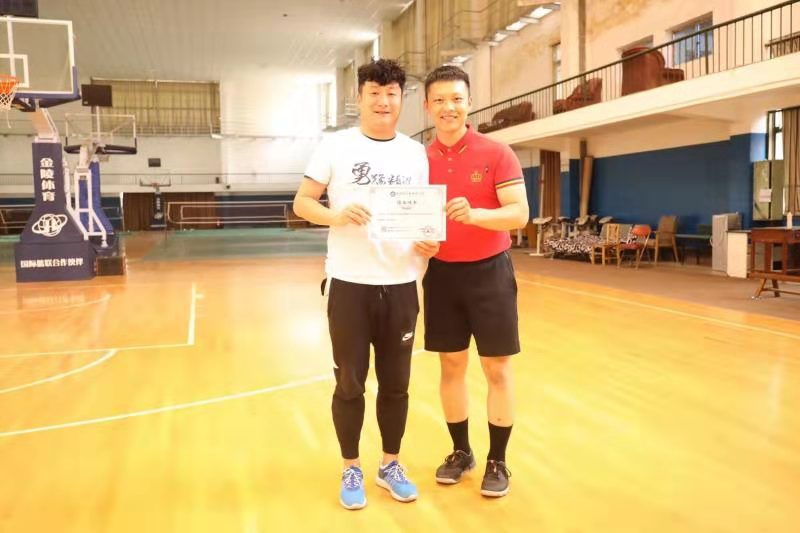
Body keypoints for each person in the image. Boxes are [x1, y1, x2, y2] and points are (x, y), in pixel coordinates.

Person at [293, 58, 439, 510]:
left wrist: (429, 242)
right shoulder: (335, 146)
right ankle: (351, 467)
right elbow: (302, 202)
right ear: (359, 97)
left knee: (397, 385)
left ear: (401, 99)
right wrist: (335, 216)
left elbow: (422, 215)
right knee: (350, 384)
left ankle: (389, 465)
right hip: (349, 284)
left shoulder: (415, 153)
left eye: (391, 93)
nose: (383, 101)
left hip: (401, 284)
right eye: (374, 92)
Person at [422, 65, 529, 498]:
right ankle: (461, 452)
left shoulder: (497, 152)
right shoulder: (417, 161)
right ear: (427, 106)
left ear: (469, 102)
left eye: (456, 99)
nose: (448, 107)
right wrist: (417, 241)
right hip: (441, 275)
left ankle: (497, 460)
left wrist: (477, 214)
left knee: (496, 368)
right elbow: (409, 220)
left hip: (490, 273)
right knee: (450, 365)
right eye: (439, 100)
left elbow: (519, 214)